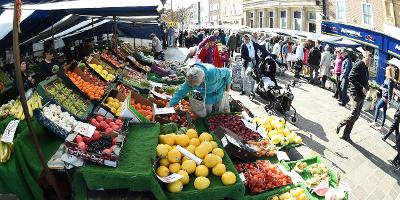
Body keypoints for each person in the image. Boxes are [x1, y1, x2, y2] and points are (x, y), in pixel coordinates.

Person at [167, 63, 231, 116]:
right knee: (207, 112)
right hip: (206, 94)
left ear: (203, 79)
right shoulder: (190, 79)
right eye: (191, 86)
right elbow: (180, 93)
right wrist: (169, 105)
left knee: (220, 111)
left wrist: (228, 86)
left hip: (219, 90)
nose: (192, 87)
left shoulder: (212, 73)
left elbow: (227, 72)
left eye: (195, 85)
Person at [336, 51, 372, 142]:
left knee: (356, 117)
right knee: (353, 115)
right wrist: (361, 88)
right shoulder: (358, 65)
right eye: (368, 60)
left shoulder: (366, 68)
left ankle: (346, 135)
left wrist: (367, 88)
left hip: (362, 95)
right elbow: (351, 77)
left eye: (370, 61)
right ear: (364, 57)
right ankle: (340, 123)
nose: (369, 62)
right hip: (355, 93)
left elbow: (365, 80)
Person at [382, 89, 400, 167]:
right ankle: (396, 160)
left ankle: (397, 160)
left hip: (398, 115)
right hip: (398, 114)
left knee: (394, 127)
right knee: (396, 129)